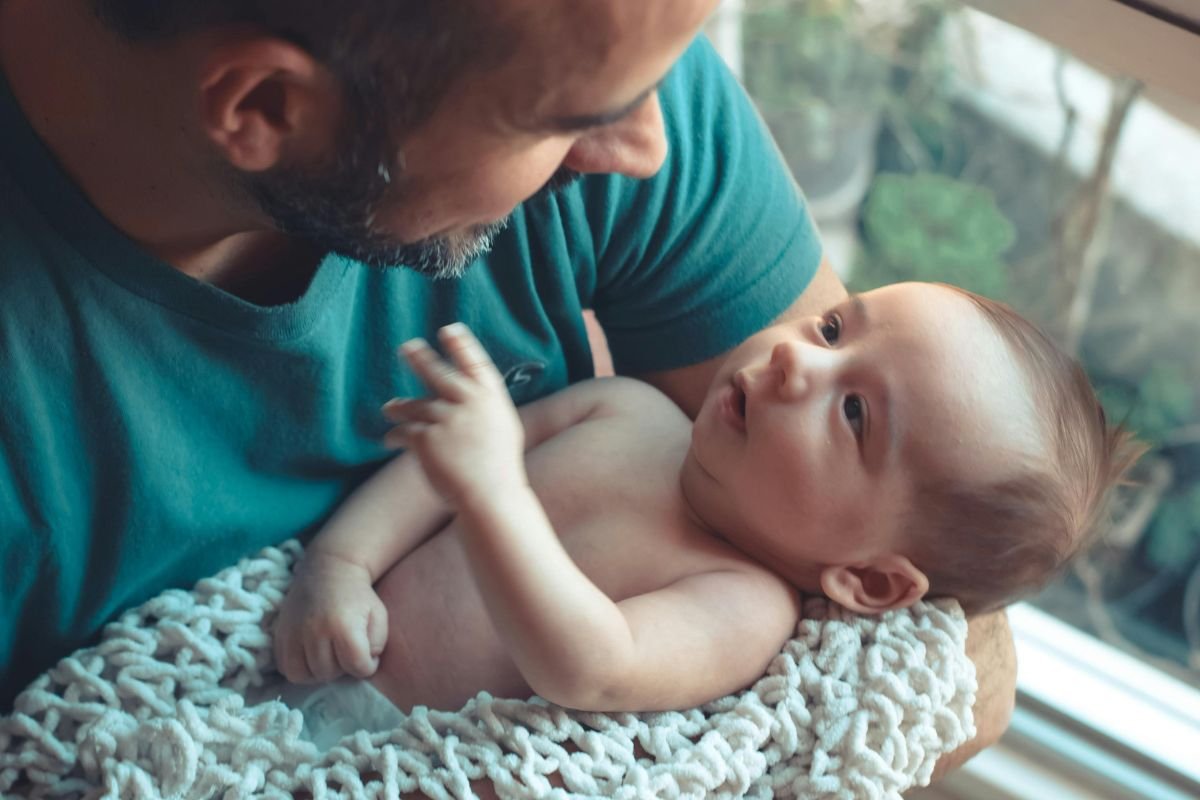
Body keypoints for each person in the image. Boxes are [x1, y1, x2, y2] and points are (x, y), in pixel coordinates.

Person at [0, 0, 1016, 786]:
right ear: (263, 107)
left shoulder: (598, 41)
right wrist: (344, 560)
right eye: (571, 119)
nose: (646, 148)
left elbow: (957, 659)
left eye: (853, 408)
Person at [274, 288, 1140, 714]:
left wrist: (495, 490)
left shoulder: (741, 604)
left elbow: (590, 666)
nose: (798, 358)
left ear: (870, 581)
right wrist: (343, 563)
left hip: (376, 749)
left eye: (854, 413)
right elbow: (442, 468)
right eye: (834, 328)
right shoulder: (626, 409)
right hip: (304, 641)